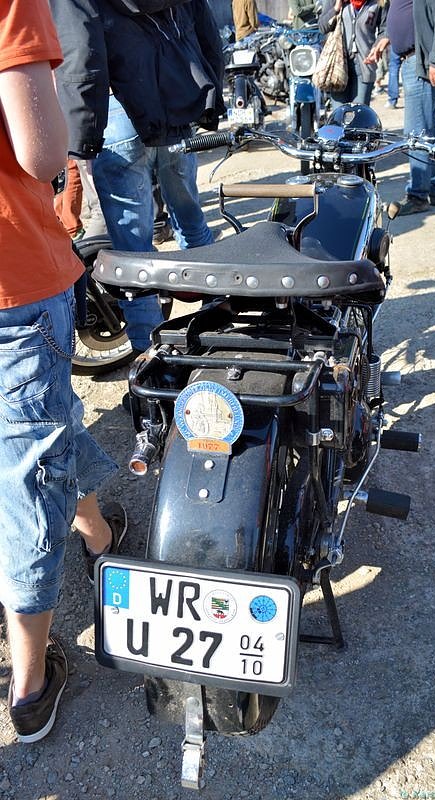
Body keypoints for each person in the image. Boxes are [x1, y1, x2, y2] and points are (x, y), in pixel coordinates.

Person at [0, 0, 127, 743]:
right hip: (11, 275)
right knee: (27, 472)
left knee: (41, 430)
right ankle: (30, 683)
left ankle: (99, 533)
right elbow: (41, 153)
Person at [50, 0, 225, 355]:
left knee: (134, 251)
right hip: (177, 102)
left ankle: (152, 357)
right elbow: (208, 34)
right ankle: (219, 320)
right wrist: (208, 95)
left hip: (119, 109)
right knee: (191, 219)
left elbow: (82, 51)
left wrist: (81, 139)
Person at [367, 0, 435, 214]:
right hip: (415, 59)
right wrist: (386, 37)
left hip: (423, 60)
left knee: (416, 134)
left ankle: (418, 195)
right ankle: (434, 189)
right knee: (429, 129)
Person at [319, 0, 388, 107]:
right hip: (338, 65)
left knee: (359, 112)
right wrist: (336, 8)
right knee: (340, 113)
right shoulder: (335, 1)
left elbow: (385, 29)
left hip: (365, 64)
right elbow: (322, 27)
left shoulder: (378, 2)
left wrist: (376, 47)